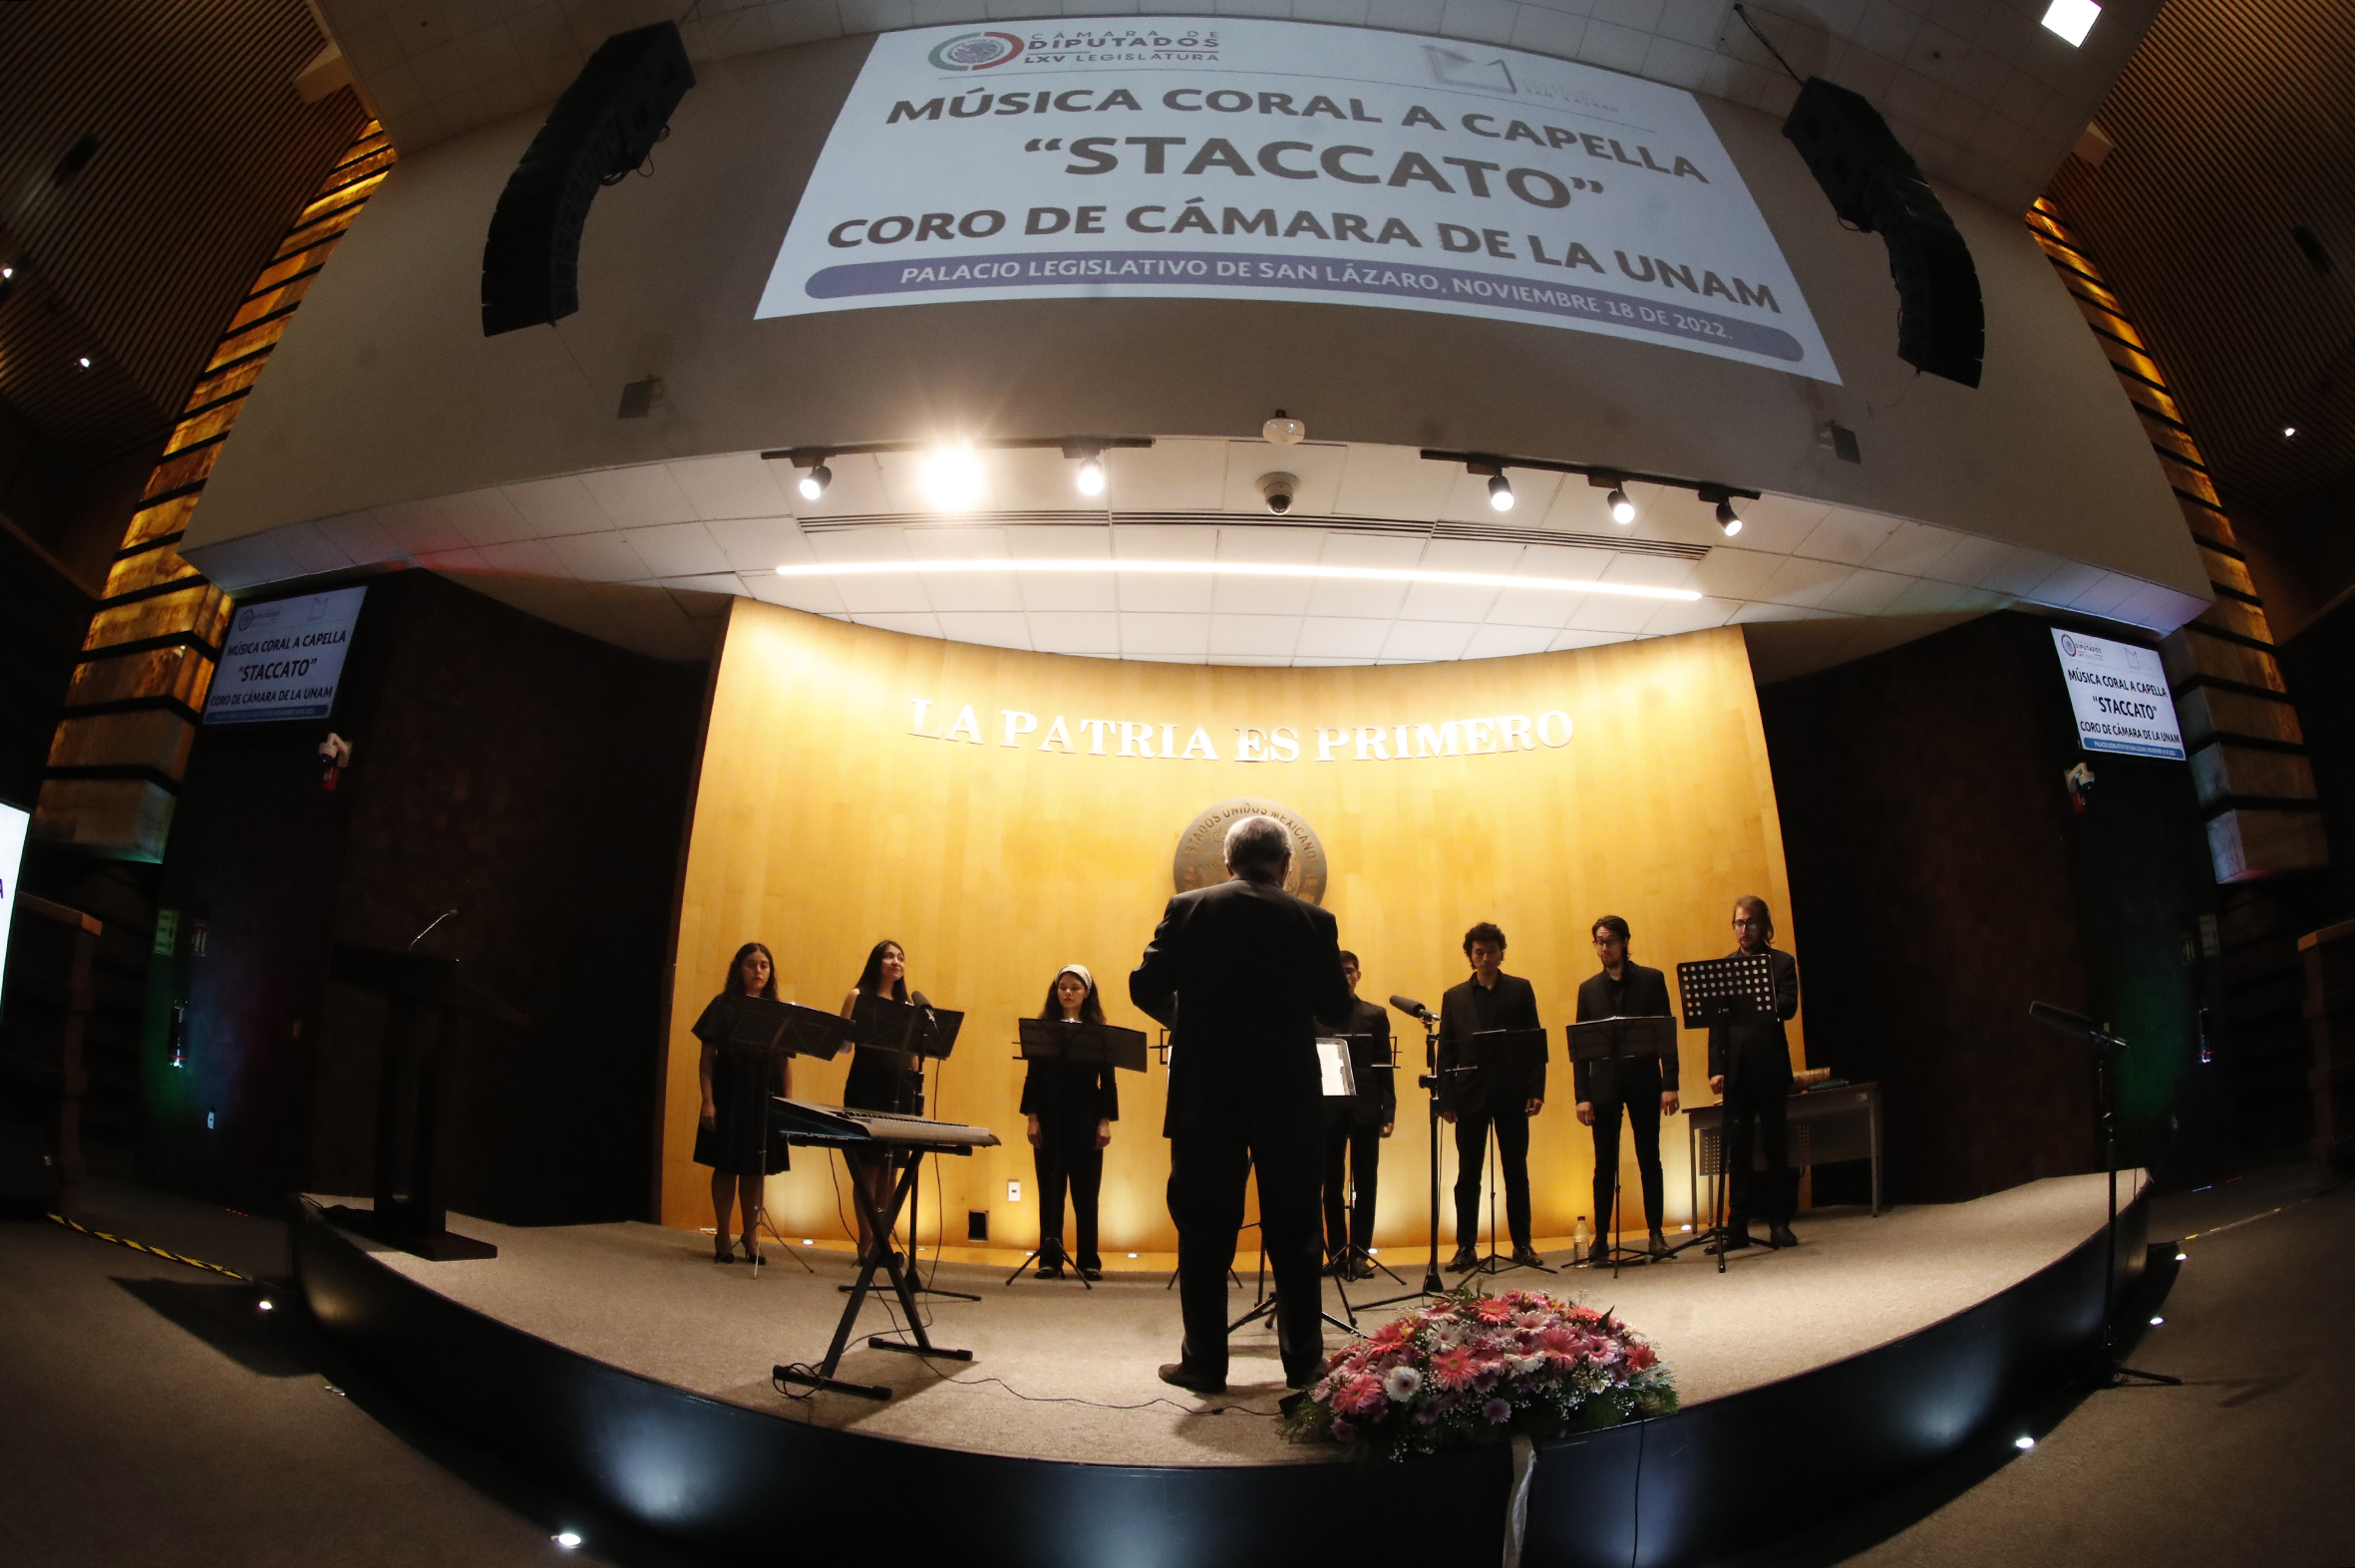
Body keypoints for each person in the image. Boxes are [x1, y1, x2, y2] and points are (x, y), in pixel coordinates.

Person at [1132, 815, 1352, 1396]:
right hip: (1289, 1095)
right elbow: (1337, 1009)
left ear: (1228, 862)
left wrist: (1188, 1022)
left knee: (1204, 1230)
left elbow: (1143, 987)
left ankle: (1204, 1364)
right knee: (1297, 1231)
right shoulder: (1315, 920)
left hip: (1208, 1094)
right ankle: (1304, 1364)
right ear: (1286, 864)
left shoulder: (1188, 908)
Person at [1437, 922, 1544, 1271]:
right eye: (1479, 952)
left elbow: (1534, 1043)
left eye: (1491, 951)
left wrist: (1536, 1090)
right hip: (1469, 1094)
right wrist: (1446, 1099)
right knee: (1468, 1174)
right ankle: (1466, 1247)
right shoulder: (1454, 997)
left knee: (1516, 1171)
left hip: (1512, 1091)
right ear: (1470, 955)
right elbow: (1446, 1052)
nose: (1485, 957)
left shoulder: (1520, 989)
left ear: (1501, 953)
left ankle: (1522, 1244)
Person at [1573, 916, 1679, 1259]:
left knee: (1649, 1157)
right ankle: (1601, 1238)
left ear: (1625, 942)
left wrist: (1670, 1083)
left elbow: (1666, 1035)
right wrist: (1582, 1096)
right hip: (1603, 1085)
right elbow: (1581, 1050)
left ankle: (1656, 1234)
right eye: (1599, 942)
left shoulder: (1651, 980)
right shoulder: (1588, 989)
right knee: (1604, 1162)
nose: (1604, 948)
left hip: (1644, 1079)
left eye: (1610, 942)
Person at [1707, 895, 1802, 1252]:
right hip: (1736, 1072)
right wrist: (1716, 1068)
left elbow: (1788, 1006)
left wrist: (1759, 996)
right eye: (1738, 923)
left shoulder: (1782, 963)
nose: (1743, 929)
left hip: (1771, 1067)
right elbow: (1717, 1025)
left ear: (1764, 926)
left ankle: (1779, 1223)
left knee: (1775, 1147)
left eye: (1750, 922)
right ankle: (1737, 1229)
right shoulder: (1725, 967)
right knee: (1738, 1151)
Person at [694, 942, 790, 1264]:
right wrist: (708, 1101)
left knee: (755, 1169)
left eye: (764, 965)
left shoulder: (777, 1011)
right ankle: (722, 1233)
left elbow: (785, 1065)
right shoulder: (723, 1005)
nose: (758, 971)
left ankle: (750, 1235)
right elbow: (707, 1060)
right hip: (728, 1096)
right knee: (726, 1166)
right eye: (752, 964)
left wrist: (787, 1108)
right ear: (739, 968)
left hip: (764, 1099)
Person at [1023, 964, 1119, 1280]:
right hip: (1050, 1119)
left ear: (1086, 993)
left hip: (1086, 1120)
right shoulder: (1044, 1029)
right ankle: (1050, 1258)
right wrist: (1032, 1118)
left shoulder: (1098, 1032)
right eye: (1062, 987)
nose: (1067, 992)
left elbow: (1108, 1082)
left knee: (1086, 1193)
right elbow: (1033, 1077)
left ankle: (1089, 1259)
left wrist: (1104, 1121)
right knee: (1050, 1192)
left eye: (1075, 987)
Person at [839, 939, 923, 1260]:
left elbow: (913, 1054)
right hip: (866, 1089)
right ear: (877, 962)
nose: (896, 961)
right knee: (868, 1169)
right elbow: (843, 1046)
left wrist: (916, 1083)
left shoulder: (907, 1007)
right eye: (889, 956)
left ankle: (882, 1241)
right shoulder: (858, 996)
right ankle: (866, 1242)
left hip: (899, 1094)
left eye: (900, 957)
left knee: (891, 1170)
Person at [1317, 952, 1394, 1280]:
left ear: (1358, 975)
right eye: (1338, 972)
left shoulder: (1375, 1014)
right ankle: (1337, 1253)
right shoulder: (1315, 1016)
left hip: (1366, 1108)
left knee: (1366, 1183)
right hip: (1327, 1110)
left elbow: (1384, 1067)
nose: (1344, 977)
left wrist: (1389, 1110)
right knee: (1330, 1186)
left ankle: (1360, 1254)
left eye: (1349, 972)